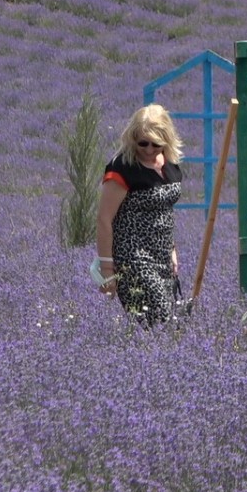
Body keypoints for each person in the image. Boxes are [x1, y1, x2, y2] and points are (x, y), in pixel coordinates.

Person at [95, 104, 183, 326]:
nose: (149, 149)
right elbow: (104, 219)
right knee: (161, 320)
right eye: (143, 143)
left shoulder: (170, 164)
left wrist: (172, 251)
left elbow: (165, 212)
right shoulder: (123, 168)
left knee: (171, 324)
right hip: (133, 258)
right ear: (133, 138)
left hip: (162, 256)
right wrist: (108, 271)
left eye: (156, 144)